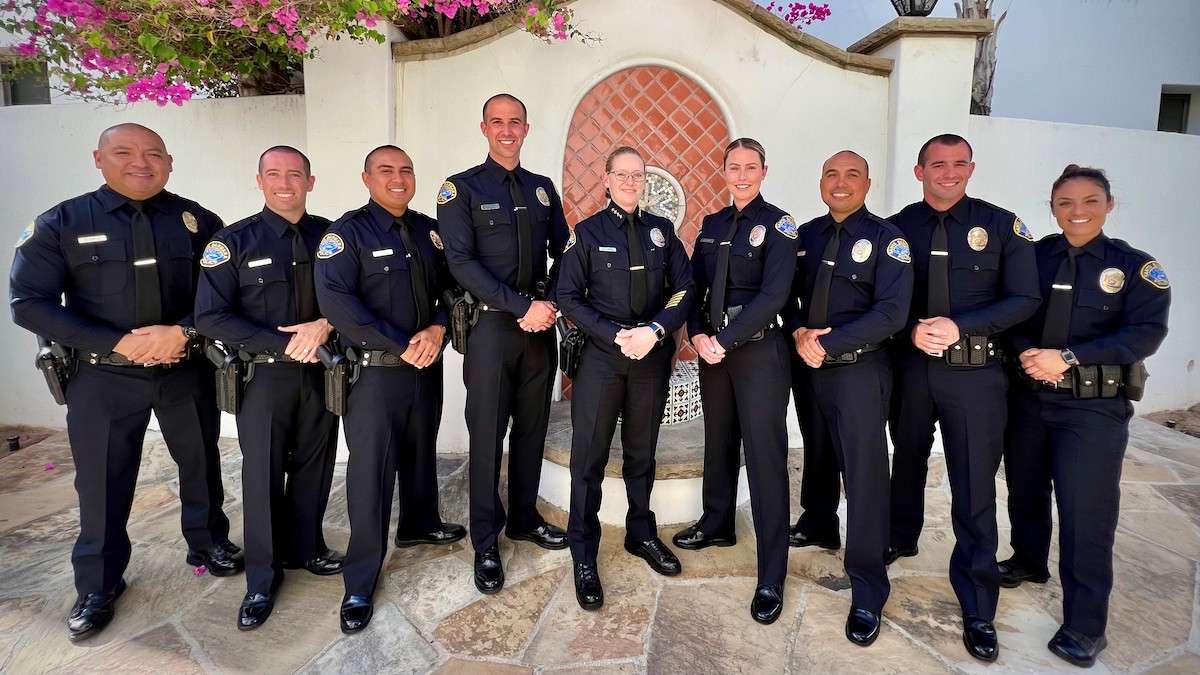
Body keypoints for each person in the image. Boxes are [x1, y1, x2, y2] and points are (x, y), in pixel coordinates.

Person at [9, 123, 240, 642]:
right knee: (103, 482)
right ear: (98, 158)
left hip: (185, 369)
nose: (141, 162)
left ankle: (207, 542)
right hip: (103, 377)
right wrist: (116, 343)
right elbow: (29, 303)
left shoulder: (198, 222)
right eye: (124, 152)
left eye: (153, 153)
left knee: (201, 463)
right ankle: (98, 583)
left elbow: (223, 294)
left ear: (169, 162)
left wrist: (181, 331)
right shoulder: (62, 222)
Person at [1001, 165, 1169, 667]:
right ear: (1052, 208)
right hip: (1029, 397)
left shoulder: (1135, 267)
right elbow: (1009, 310)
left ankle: (1086, 625)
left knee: (1085, 515)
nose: (1078, 211)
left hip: (1092, 408)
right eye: (1066, 203)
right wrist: (1029, 352)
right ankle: (1029, 562)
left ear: (1109, 205)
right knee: (1026, 489)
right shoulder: (1033, 257)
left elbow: (1145, 335)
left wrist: (1068, 358)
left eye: (1090, 201)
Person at [886, 134, 1041, 661]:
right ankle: (900, 535)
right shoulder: (897, 228)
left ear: (971, 168)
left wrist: (960, 324)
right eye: (937, 165)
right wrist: (910, 331)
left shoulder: (1002, 225)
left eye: (957, 164)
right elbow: (879, 297)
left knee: (973, 483)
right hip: (910, 369)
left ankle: (977, 600)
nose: (947, 174)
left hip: (975, 375)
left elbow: (1025, 298)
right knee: (905, 460)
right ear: (918, 170)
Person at [314, 145, 464, 633]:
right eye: (386, 171)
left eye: (405, 170)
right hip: (375, 372)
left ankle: (420, 524)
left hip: (425, 364)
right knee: (371, 473)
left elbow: (449, 289)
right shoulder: (346, 234)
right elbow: (338, 303)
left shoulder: (427, 231)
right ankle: (360, 578)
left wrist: (439, 329)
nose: (397, 179)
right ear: (366, 177)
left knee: (421, 451)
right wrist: (402, 344)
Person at [194, 146, 344, 631]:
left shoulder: (333, 236)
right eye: (274, 174)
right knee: (261, 476)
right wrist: (284, 346)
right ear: (259, 181)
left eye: (295, 174)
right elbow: (210, 316)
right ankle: (261, 578)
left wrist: (322, 325)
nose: (286, 183)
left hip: (324, 370)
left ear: (310, 181)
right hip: (263, 377)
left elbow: (354, 297)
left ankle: (307, 548)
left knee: (315, 465)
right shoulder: (231, 242)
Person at [437, 93, 572, 595]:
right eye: (498, 122)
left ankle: (523, 518)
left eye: (515, 121)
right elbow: (460, 263)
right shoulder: (461, 190)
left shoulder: (541, 190)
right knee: (488, 436)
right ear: (484, 127)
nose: (507, 130)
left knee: (533, 430)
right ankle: (486, 542)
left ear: (526, 129)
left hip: (539, 328)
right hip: (493, 328)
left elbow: (568, 251)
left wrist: (552, 304)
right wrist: (521, 307)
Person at [783, 151, 913, 645]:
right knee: (817, 451)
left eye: (851, 175)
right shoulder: (807, 236)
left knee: (863, 474)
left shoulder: (887, 240)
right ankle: (819, 522)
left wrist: (825, 343)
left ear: (868, 183)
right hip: (809, 366)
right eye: (831, 174)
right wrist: (798, 335)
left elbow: (892, 313)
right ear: (821, 182)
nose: (840, 183)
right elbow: (788, 297)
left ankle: (867, 588)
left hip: (860, 369)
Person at [556, 146, 695, 610]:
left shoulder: (662, 231)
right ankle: (583, 553)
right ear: (607, 179)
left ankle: (641, 533)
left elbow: (685, 288)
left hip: (651, 359)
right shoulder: (588, 233)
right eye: (624, 175)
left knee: (642, 453)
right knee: (588, 460)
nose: (632, 182)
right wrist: (618, 335)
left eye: (639, 176)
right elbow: (569, 298)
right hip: (603, 361)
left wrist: (655, 331)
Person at [671, 138, 797, 625]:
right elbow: (696, 289)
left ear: (764, 170)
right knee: (717, 441)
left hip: (759, 351)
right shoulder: (713, 225)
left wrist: (726, 338)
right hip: (714, 352)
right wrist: (699, 334)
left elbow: (775, 294)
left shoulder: (779, 225)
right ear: (722, 171)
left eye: (751, 167)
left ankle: (771, 572)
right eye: (733, 167)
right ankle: (717, 522)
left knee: (765, 456)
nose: (742, 176)